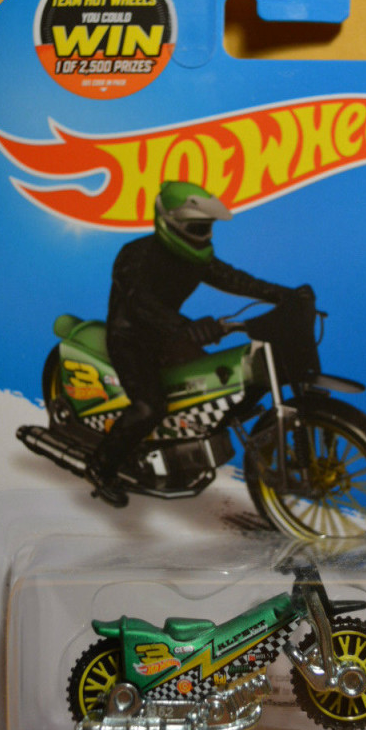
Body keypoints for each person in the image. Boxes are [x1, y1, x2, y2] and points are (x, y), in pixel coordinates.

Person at [86, 180, 300, 506]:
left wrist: (283, 295)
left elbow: (234, 279)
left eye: (207, 227)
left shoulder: (196, 258)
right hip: (130, 340)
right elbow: (140, 302)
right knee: (148, 407)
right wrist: (187, 326)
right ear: (171, 223)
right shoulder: (135, 255)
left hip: (168, 338)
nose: (205, 234)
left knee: (211, 386)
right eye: (198, 227)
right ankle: (101, 466)